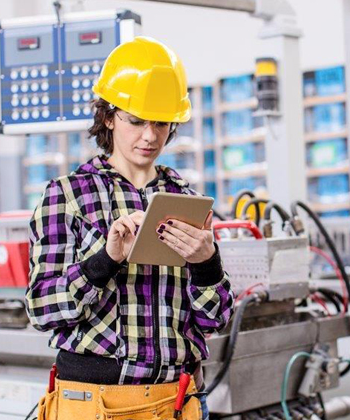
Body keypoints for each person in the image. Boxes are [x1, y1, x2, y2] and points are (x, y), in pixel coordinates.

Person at [26, 36, 233, 420]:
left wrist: (207, 262)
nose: (150, 136)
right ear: (108, 116)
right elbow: (41, 309)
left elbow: (214, 319)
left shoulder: (187, 202)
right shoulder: (68, 196)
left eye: (161, 122)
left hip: (177, 400)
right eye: (135, 121)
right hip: (96, 403)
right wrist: (106, 259)